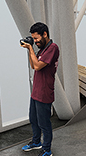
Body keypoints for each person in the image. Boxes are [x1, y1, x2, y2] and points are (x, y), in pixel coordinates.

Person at [20, 22, 59, 156]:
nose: (35, 41)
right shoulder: (42, 49)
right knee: (34, 119)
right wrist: (30, 50)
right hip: (36, 91)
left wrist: (31, 49)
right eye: (33, 39)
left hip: (44, 93)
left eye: (36, 38)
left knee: (44, 123)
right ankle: (36, 142)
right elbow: (33, 65)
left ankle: (47, 149)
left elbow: (38, 67)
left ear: (45, 34)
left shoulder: (53, 48)